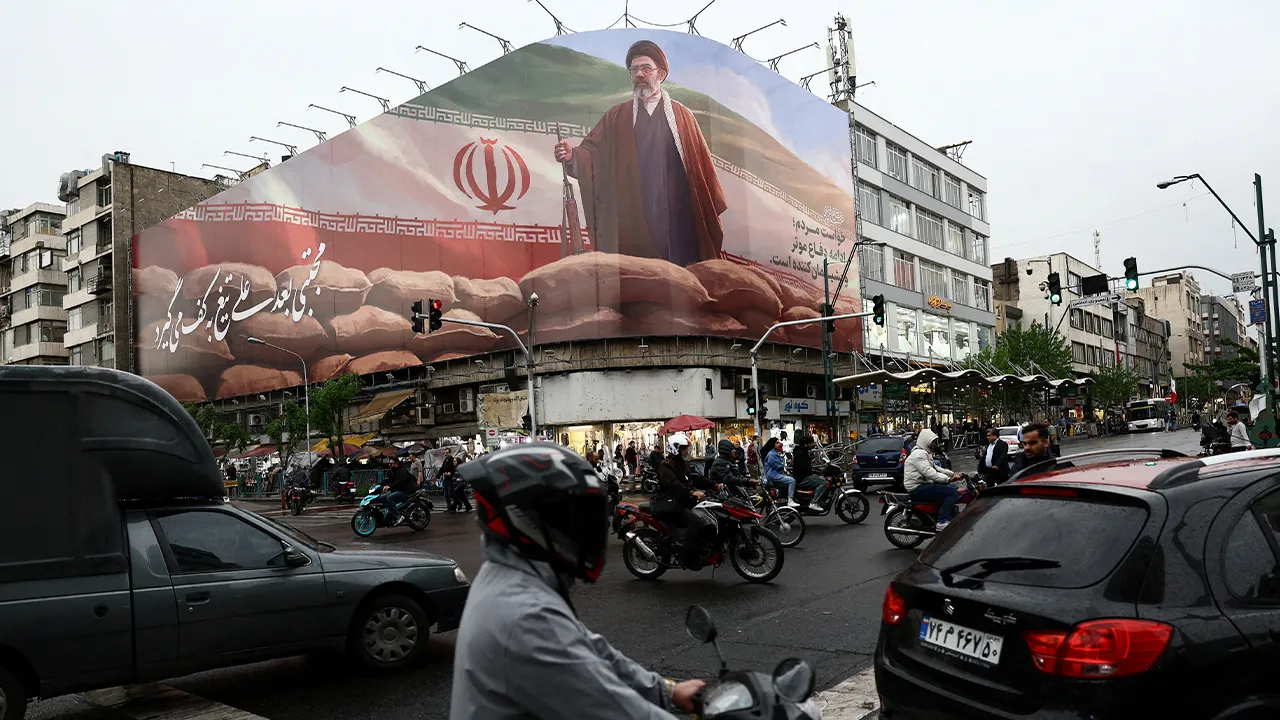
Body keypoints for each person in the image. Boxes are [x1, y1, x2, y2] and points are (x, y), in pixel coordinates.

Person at [450, 443, 704, 719]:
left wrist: (667, 691)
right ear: (529, 521)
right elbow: (614, 708)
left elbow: (589, 649)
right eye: (575, 518)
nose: (588, 531)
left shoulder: (508, 578)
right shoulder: (525, 617)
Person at [553, 40, 727, 268]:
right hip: (634, 211)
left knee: (684, 278)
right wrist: (572, 156)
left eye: (646, 68)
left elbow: (701, 171)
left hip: (677, 215)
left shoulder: (683, 117)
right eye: (634, 70)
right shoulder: (617, 115)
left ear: (661, 74)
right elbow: (593, 153)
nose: (639, 74)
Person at [655, 432, 711, 569]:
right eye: (684, 448)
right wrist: (692, 492)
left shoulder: (682, 463)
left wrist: (715, 485)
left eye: (687, 448)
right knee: (697, 523)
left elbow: (695, 478)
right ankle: (687, 557)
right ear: (675, 448)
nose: (686, 451)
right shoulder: (666, 465)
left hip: (684, 500)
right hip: (672, 504)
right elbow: (674, 484)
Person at [903, 428, 962, 531]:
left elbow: (936, 468)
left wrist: (953, 474)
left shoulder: (924, 453)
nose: (934, 444)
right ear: (926, 441)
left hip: (922, 484)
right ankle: (942, 521)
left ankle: (944, 513)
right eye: (932, 442)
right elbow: (929, 472)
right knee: (952, 492)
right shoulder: (919, 454)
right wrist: (948, 479)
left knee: (951, 488)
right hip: (917, 488)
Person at [381, 456, 417, 525]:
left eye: (391, 464)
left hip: (405, 491)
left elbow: (399, 481)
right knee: (381, 497)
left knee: (389, 498)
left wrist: (389, 486)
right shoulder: (392, 471)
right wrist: (378, 486)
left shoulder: (402, 470)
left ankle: (397, 516)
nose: (390, 465)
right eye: (389, 464)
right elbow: (387, 480)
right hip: (396, 490)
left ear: (396, 463)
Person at [763, 438, 797, 507]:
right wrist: (784, 467)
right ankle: (790, 500)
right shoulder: (771, 454)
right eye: (777, 443)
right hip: (773, 475)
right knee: (792, 481)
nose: (779, 444)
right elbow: (778, 466)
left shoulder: (775, 453)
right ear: (773, 444)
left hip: (775, 474)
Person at [440, 448, 458, 513]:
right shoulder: (445, 460)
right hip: (446, 478)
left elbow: (454, 468)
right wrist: (438, 475)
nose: (446, 454)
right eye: (445, 453)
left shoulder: (452, 459)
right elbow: (442, 468)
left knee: (450, 493)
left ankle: (456, 503)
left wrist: (450, 473)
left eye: (447, 453)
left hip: (451, 479)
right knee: (446, 494)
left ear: (450, 453)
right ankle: (449, 507)